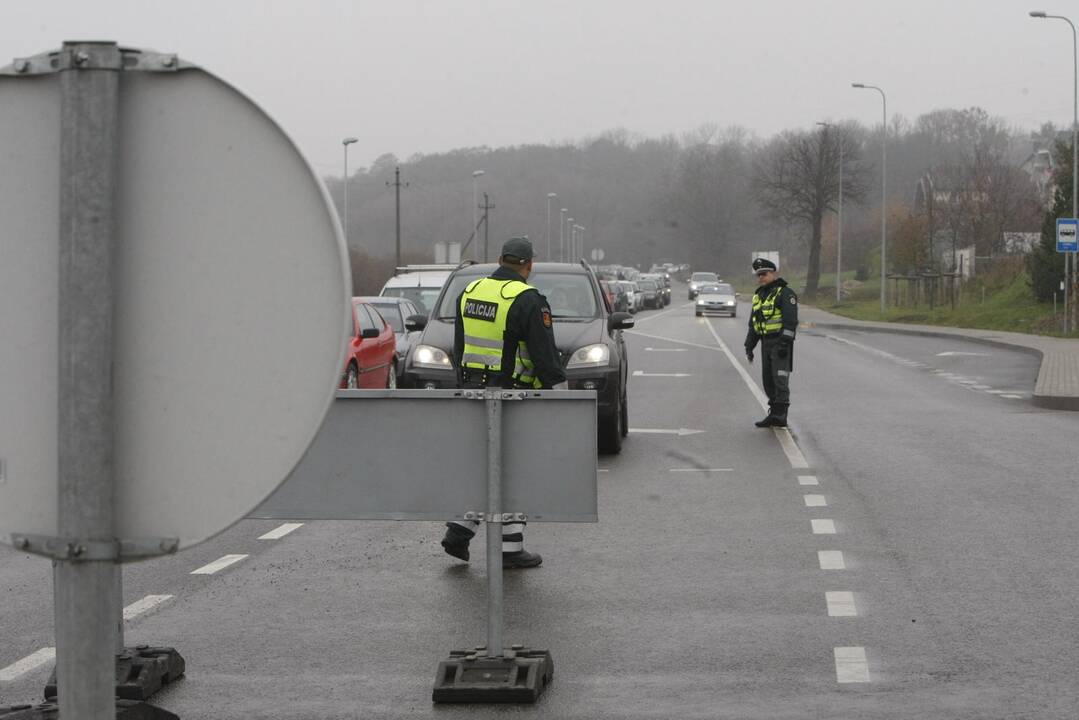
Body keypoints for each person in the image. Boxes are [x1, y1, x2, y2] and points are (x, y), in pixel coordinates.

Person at [440, 237, 567, 569]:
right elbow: (545, 357)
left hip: (472, 392)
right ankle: (509, 549)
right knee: (513, 470)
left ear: (499, 259)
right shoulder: (527, 299)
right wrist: (561, 396)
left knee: (485, 464)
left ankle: (459, 530)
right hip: (512, 396)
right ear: (529, 265)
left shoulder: (470, 292)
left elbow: (459, 345)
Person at [744, 257, 798, 428]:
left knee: (779, 379)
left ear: (773, 273)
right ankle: (773, 413)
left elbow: (790, 321)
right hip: (765, 342)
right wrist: (749, 345)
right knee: (768, 380)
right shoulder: (759, 295)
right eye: (758, 275)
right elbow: (754, 323)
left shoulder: (785, 293)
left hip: (780, 342)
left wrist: (785, 343)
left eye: (764, 274)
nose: (761, 277)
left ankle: (781, 415)